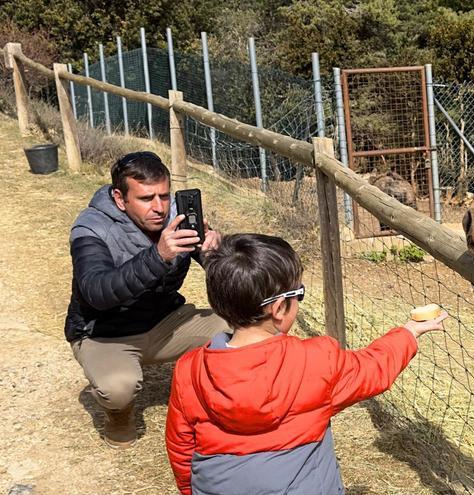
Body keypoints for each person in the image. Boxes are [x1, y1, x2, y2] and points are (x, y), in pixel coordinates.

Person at [165, 233, 447, 495]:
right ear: (278, 308)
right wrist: (408, 333)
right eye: (297, 294)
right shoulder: (315, 361)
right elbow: (373, 369)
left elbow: (181, 445)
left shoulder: (189, 369)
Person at [65, 151, 226, 449]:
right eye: (146, 198)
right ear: (119, 198)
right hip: (105, 334)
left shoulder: (179, 214)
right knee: (118, 387)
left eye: (164, 196)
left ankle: (226, 401)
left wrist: (214, 252)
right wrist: (158, 256)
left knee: (246, 326)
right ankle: (118, 414)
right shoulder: (90, 228)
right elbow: (97, 292)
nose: (159, 208)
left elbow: (225, 271)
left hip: (166, 322)